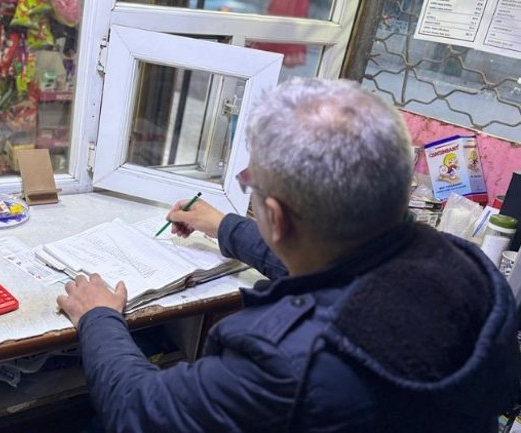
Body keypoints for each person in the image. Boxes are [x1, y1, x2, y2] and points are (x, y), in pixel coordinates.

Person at [56, 78, 520, 432]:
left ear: (275, 218)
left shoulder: (282, 361)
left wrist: (99, 318)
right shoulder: (468, 267)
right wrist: (225, 227)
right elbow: (339, 267)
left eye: (251, 187)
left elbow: (137, 409)